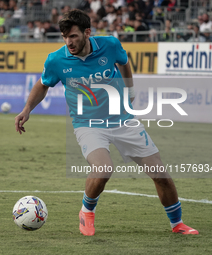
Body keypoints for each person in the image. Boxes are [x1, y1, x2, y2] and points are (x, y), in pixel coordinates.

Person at [15, 9, 199, 236]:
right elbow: (43, 84)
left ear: (87, 32)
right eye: (65, 37)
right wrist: (27, 109)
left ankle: (177, 224)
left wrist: (130, 89)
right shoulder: (56, 60)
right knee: (103, 168)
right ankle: (86, 211)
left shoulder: (110, 45)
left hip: (123, 120)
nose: (69, 42)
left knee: (160, 174)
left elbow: (124, 62)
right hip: (87, 124)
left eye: (73, 36)